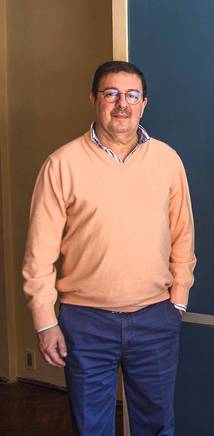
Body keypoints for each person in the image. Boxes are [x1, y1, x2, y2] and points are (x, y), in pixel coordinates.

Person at [22, 61, 196, 435]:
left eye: (132, 95)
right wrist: (45, 320)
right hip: (85, 324)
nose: (122, 104)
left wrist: (178, 298)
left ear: (144, 103)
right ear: (94, 100)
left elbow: (183, 234)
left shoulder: (167, 160)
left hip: (155, 317)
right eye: (111, 94)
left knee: (157, 425)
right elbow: (39, 253)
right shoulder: (62, 164)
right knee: (91, 427)